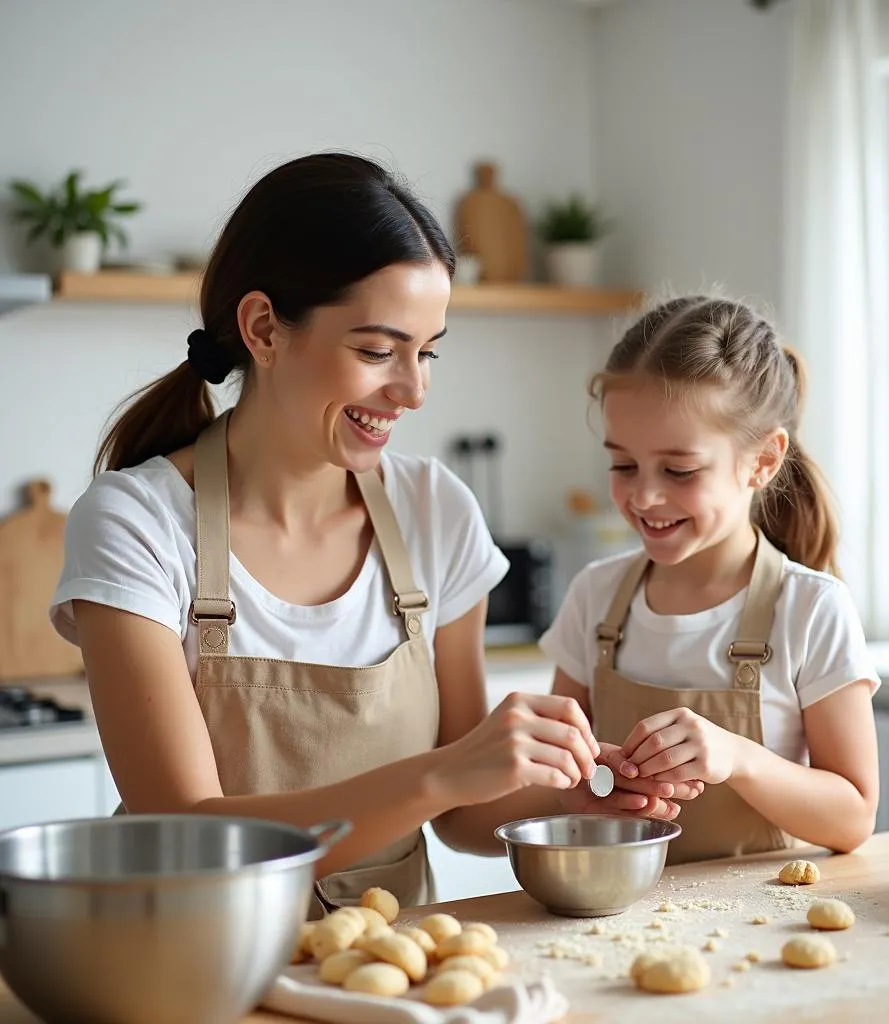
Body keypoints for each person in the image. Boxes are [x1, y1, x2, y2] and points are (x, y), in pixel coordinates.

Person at [49, 153, 677, 915]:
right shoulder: (135, 524)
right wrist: (443, 771)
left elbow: (462, 820)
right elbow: (186, 832)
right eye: (378, 351)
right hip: (192, 965)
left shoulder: (434, 510)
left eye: (428, 350)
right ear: (262, 329)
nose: (412, 390)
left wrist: (573, 796)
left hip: (388, 967)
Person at [539, 295, 881, 863]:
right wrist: (586, 783)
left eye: (679, 470)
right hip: (612, 919)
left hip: (761, 930)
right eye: (623, 465)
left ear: (763, 461)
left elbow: (853, 816)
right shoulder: (594, 596)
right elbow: (557, 780)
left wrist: (738, 756)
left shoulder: (811, 608)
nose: (644, 496)